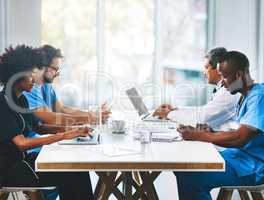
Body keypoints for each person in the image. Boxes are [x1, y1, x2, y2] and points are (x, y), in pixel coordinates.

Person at [0, 45, 94, 200]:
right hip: (11, 170)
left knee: (77, 169)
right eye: (31, 75)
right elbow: (22, 143)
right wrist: (64, 136)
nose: (35, 80)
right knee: (72, 173)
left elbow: (39, 127)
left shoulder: (21, 99)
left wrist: (74, 130)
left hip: (24, 163)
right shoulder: (2, 104)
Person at [175, 51, 264, 200]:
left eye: (224, 76)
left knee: (191, 178)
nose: (221, 82)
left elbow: (240, 139)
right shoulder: (246, 96)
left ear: (238, 75)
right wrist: (210, 131)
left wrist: (198, 135)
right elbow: (243, 134)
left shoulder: (259, 96)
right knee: (184, 168)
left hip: (253, 166)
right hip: (238, 157)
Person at [153, 47, 240, 130]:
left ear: (219, 69)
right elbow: (203, 111)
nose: (204, 72)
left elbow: (201, 119)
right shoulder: (223, 89)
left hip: (221, 143)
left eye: (206, 68)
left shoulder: (228, 93)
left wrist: (169, 114)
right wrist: (175, 110)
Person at [23, 44, 110, 126]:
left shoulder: (46, 85)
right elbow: (51, 118)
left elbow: (61, 109)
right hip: (34, 139)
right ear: (42, 66)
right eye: (55, 69)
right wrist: (92, 118)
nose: (57, 74)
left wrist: (93, 114)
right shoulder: (30, 88)